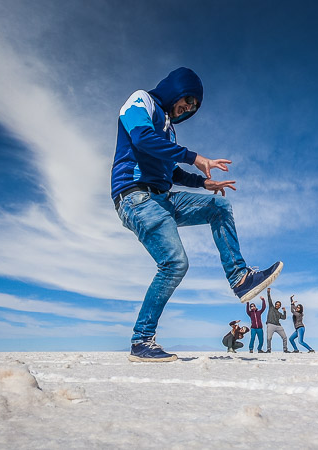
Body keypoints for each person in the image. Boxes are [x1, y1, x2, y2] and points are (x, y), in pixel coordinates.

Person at [112, 67, 283, 362]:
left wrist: (204, 182)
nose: (188, 108)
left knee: (218, 207)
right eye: (188, 100)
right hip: (136, 196)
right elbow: (141, 139)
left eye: (193, 107)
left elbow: (171, 170)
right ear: (177, 89)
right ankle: (141, 341)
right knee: (174, 263)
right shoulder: (141, 102)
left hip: (163, 197)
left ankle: (240, 278)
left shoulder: (168, 128)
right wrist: (195, 157)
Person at [262, 288, 289, 353]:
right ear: (275, 304)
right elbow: (269, 300)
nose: (277, 305)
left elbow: (284, 318)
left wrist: (284, 311)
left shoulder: (279, 313)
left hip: (278, 326)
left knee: (285, 337)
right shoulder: (271, 307)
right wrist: (268, 293)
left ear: (280, 306)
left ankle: (285, 350)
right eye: (276, 304)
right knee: (269, 338)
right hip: (270, 324)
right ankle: (269, 349)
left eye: (279, 305)